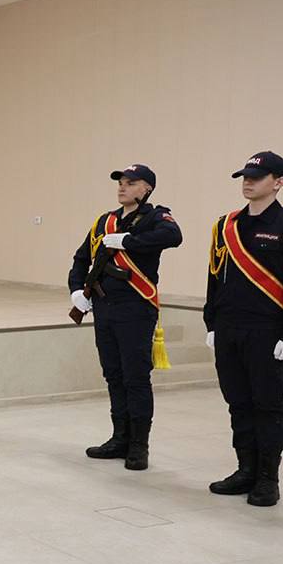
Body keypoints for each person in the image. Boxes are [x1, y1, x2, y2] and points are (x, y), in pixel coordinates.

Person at [68, 163, 182, 471]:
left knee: (135, 377)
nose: (122, 187)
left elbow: (174, 236)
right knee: (113, 374)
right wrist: (76, 290)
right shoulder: (104, 221)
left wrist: (127, 241)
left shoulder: (156, 218)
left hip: (136, 308)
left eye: (131, 182)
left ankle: (138, 445)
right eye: (120, 182)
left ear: (147, 188)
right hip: (104, 308)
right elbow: (81, 258)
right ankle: (119, 437)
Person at [205, 151, 283, 507]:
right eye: (245, 176)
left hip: (267, 330)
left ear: (278, 182)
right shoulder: (226, 225)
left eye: (257, 176)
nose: (248, 182)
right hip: (228, 327)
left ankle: (267, 478)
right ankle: (245, 469)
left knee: (267, 405)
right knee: (237, 401)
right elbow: (214, 277)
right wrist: (211, 322)